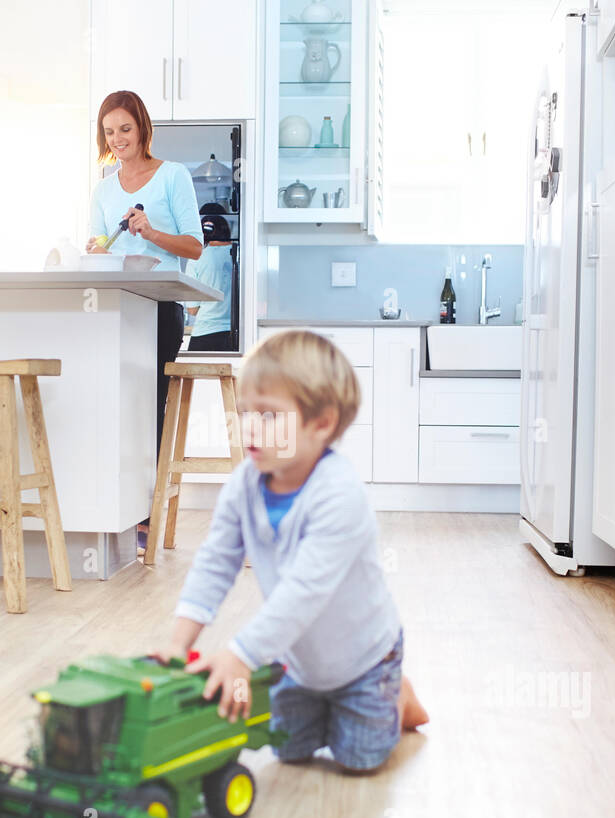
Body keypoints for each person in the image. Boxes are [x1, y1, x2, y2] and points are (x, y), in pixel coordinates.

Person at [151, 330, 429, 772]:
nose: (250, 428)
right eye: (246, 412)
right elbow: (215, 562)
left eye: (268, 415)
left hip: (364, 658)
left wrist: (240, 653)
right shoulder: (244, 484)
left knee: (359, 759)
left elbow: (304, 591)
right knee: (289, 750)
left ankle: (397, 695)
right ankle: (322, 705)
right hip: (299, 657)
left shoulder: (339, 494)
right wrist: (178, 645)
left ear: (321, 423)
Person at [86, 90, 204, 552]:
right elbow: (99, 244)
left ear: (143, 128)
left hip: (159, 306)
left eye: (125, 129)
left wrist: (150, 231)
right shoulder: (103, 188)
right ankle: (113, 506)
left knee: (149, 405)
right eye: (109, 131)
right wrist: (96, 251)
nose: (118, 139)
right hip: (116, 309)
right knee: (116, 402)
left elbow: (195, 247)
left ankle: (148, 514)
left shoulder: (172, 176)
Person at [185, 214, 234, 352]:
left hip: (205, 333)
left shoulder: (196, 258)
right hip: (236, 334)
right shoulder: (242, 254)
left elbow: (192, 309)